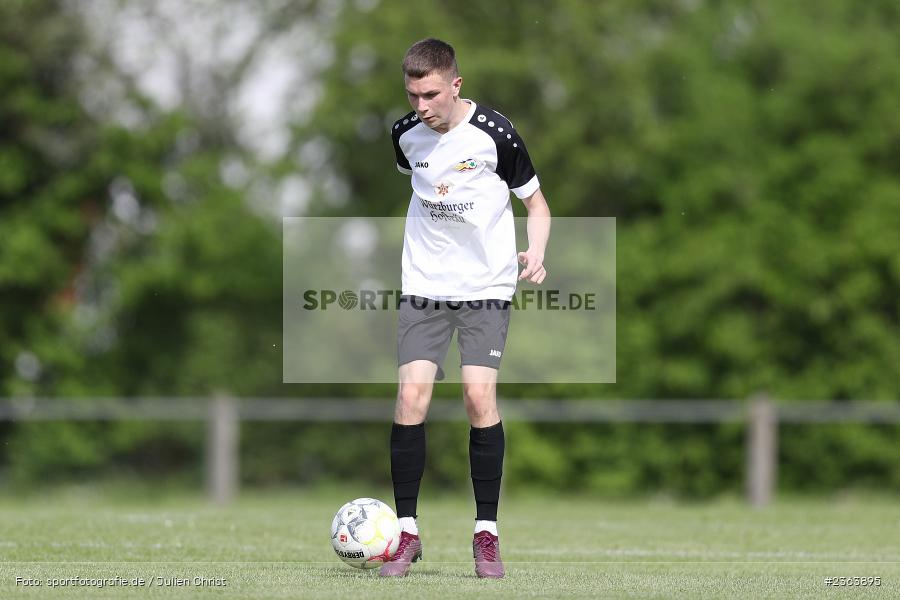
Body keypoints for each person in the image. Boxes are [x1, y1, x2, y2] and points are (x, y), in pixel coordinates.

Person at [381, 38, 550, 579]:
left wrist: (537, 250)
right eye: (413, 95)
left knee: (479, 398)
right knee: (411, 397)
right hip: (424, 285)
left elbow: (536, 205)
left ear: (456, 84)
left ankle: (486, 535)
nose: (421, 106)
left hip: (486, 288)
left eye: (431, 94)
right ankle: (405, 534)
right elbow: (424, 190)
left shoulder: (497, 134)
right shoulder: (404, 136)